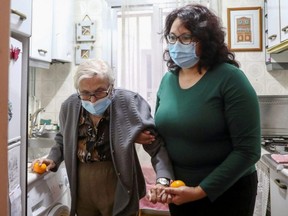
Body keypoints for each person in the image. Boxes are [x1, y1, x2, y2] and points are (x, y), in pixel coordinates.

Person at [151, 4, 261, 216]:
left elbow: (248, 151)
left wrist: (200, 191)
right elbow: (162, 137)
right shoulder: (168, 80)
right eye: (172, 37)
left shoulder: (230, 78)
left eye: (186, 37)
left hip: (227, 193)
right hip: (179, 191)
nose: (176, 44)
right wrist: (164, 180)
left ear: (206, 40)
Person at [31, 59, 174, 216]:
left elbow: (155, 146)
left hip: (117, 181)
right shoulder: (69, 106)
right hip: (82, 186)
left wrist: (163, 179)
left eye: (100, 91)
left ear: (111, 88)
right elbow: (62, 139)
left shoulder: (129, 103)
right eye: (85, 93)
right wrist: (53, 158)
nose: (92, 100)